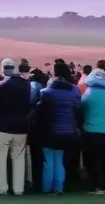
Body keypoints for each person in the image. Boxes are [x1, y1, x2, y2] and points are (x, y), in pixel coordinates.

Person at [34, 61, 81, 194]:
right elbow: (78, 108)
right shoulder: (74, 90)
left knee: (48, 161)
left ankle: (47, 188)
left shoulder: (46, 92)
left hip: (49, 132)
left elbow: (40, 112)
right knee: (59, 161)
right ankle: (58, 187)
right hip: (68, 131)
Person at [0, 58, 32, 196]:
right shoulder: (26, 85)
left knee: (1, 159)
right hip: (21, 126)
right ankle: (18, 188)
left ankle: (2, 188)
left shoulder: (0, 87)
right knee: (19, 158)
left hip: (2, 126)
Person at [80, 68, 105, 195]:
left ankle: (96, 185)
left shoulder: (89, 93)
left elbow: (81, 108)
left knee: (91, 159)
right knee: (103, 158)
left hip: (90, 130)